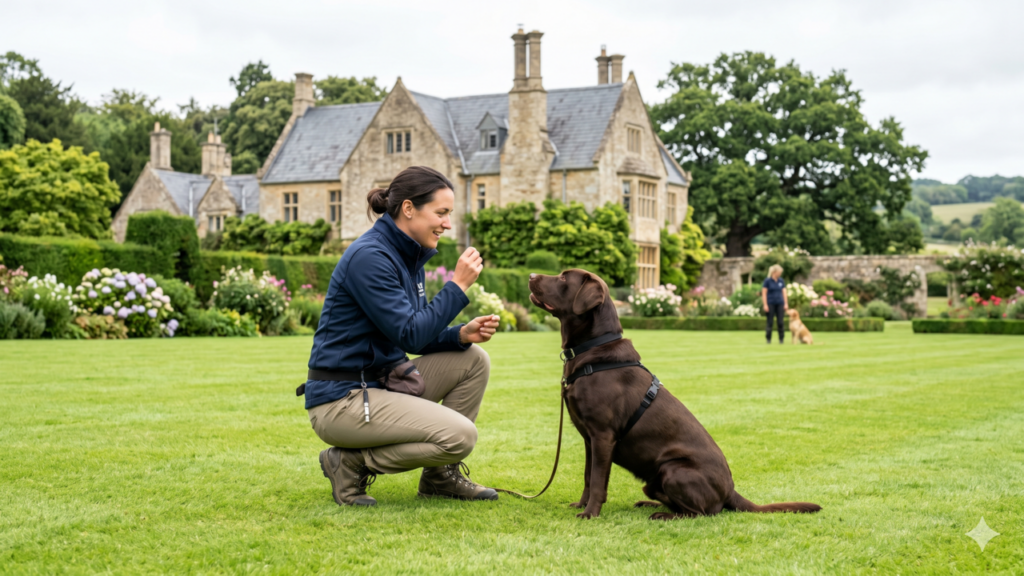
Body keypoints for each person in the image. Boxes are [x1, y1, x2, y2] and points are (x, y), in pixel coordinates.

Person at [301, 165, 502, 507]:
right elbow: (410, 335)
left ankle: (440, 477)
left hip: (381, 385)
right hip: (342, 399)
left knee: (473, 360)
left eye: (449, 214)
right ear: (408, 208)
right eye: (441, 212)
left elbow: (414, 332)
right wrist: (457, 286)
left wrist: (460, 335)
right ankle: (348, 462)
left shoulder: (408, 256)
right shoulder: (370, 257)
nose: (448, 224)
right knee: (461, 436)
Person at [761, 264, 789, 344]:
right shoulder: (767, 281)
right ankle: (768, 339)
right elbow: (764, 293)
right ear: (774, 272)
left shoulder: (781, 281)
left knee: (780, 322)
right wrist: (765, 304)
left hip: (780, 303)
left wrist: (785, 303)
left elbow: (784, 292)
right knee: (770, 322)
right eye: (779, 272)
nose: (780, 274)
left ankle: (781, 339)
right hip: (770, 303)